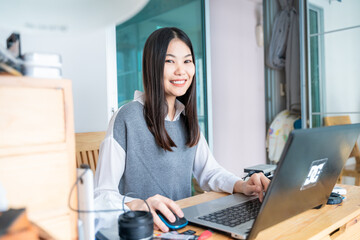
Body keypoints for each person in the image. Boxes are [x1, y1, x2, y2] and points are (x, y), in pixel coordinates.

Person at [94, 27, 270, 233]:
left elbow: (210, 171)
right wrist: (136, 205)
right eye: (170, 61)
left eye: (187, 61)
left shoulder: (186, 119)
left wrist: (242, 185)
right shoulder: (126, 117)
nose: (181, 70)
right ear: (152, 66)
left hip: (183, 228)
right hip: (144, 230)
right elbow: (101, 196)